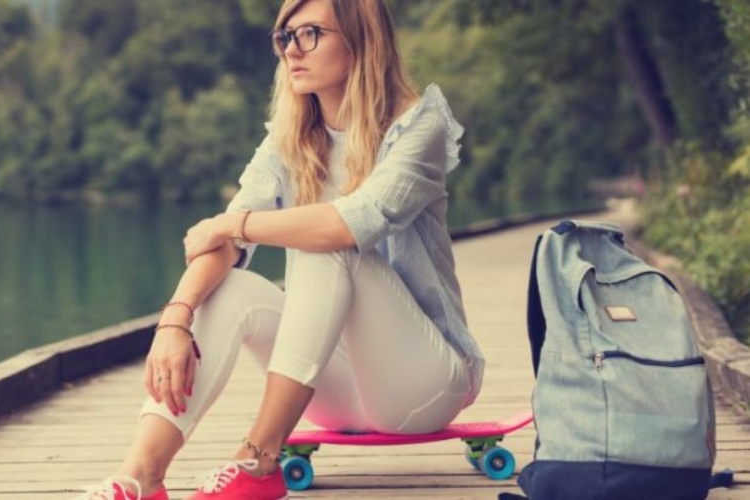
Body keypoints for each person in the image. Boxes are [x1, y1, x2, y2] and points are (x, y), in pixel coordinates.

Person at [75, 0, 484, 499]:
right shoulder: (289, 139)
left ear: (360, 41)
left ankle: (259, 460)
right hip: (335, 392)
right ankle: (142, 475)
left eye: (310, 33)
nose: (292, 49)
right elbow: (222, 244)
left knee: (326, 239)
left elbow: (350, 223)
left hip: (424, 383)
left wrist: (238, 222)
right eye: (285, 36)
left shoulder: (417, 126)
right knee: (234, 287)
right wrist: (174, 318)